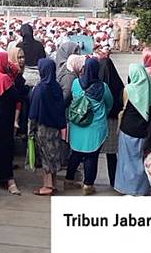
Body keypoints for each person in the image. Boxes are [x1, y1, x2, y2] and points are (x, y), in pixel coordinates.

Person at [64, 58, 112, 195]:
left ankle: (68, 180)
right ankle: (88, 185)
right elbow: (109, 104)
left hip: (77, 125)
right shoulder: (103, 87)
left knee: (75, 154)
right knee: (92, 156)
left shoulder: (76, 83)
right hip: (95, 127)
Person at [115, 63, 151, 196]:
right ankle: (143, 189)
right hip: (146, 130)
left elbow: (123, 106)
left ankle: (126, 188)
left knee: (126, 160)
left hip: (128, 129)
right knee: (143, 160)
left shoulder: (128, 89)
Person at [28, 58, 67, 196]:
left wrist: (30, 130)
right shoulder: (56, 87)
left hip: (43, 128)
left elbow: (33, 112)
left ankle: (47, 186)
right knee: (54, 156)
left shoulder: (40, 89)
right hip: (55, 128)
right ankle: (53, 183)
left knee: (46, 157)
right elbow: (61, 109)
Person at [0, 52, 21, 195]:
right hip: (5, 117)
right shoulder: (4, 78)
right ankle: (10, 180)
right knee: (6, 148)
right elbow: (16, 96)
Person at [98, 57, 124, 187]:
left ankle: (89, 181)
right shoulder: (118, 84)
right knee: (111, 154)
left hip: (99, 122)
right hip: (113, 122)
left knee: (93, 153)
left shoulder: (97, 84)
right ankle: (114, 181)